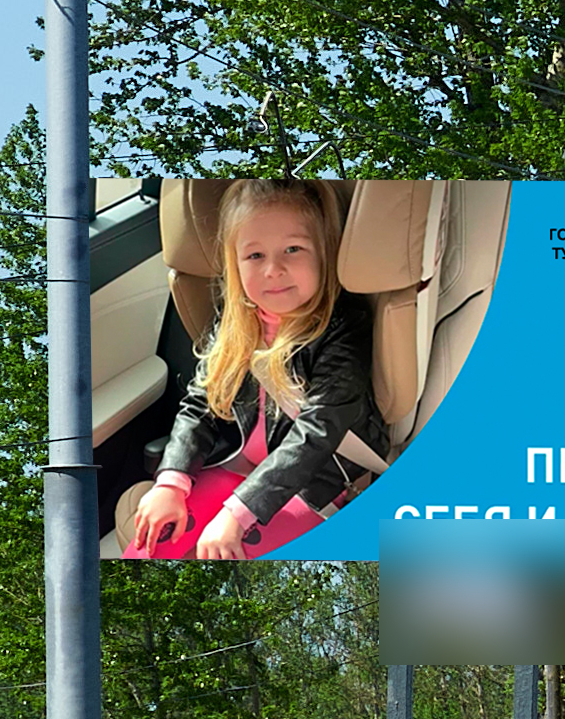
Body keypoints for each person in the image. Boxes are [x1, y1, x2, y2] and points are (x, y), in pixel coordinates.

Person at [123, 178, 391, 559]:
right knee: (151, 546)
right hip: (236, 461)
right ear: (235, 264)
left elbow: (317, 432)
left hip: (311, 480)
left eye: (293, 249)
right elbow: (200, 403)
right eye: (255, 256)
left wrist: (237, 512)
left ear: (324, 253)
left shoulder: (343, 327)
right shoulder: (235, 319)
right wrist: (171, 481)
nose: (273, 270)